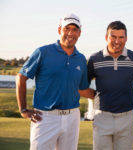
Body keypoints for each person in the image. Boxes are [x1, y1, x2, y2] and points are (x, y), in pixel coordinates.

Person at [16, 13, 94, 150]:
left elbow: (82, 89)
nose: (70, 33)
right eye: (67, 28)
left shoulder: (81, 59)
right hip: (45, 117)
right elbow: (21, 77)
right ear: (59, 30)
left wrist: (105, 95)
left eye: (74, 29)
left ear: (79, 33)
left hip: (72, 118)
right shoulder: (43, 52)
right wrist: (23, 109)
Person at [87, 21, 133, 150]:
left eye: (121, 37)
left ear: (126, 38)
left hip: (127, 117)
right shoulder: (94, 59)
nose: (117, 41)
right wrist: (96, 96)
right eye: (113, 37)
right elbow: (82, 86)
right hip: (102, 116)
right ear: (106, 37)